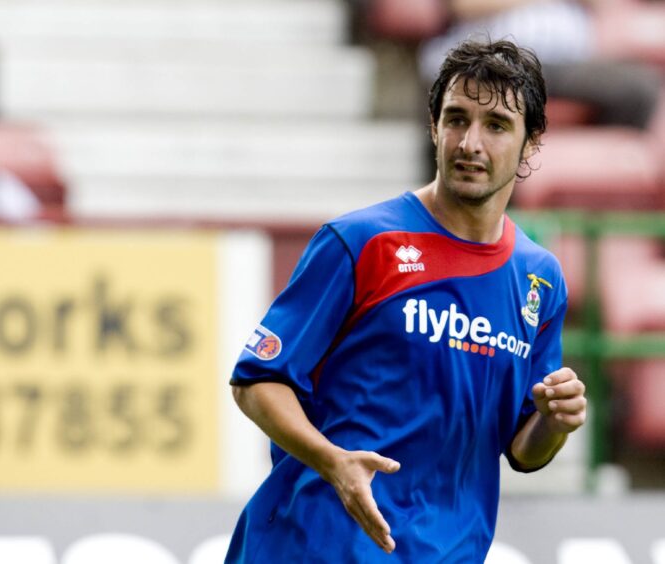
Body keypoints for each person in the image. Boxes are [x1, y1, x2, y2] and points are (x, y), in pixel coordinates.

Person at [227, 39, 587, 563]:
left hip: (447, 552)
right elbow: (257, 381)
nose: (470, 143)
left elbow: (521, 449)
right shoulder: (362, 242)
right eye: (456, 118)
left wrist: (555, 421)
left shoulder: (540, 279)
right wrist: (332, 461)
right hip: (317, 543)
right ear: (434, 126)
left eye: (496, 125)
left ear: (532, 144)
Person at [419, 0, 662, 130]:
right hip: (500, 55)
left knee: (639, 86)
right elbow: (464, 5)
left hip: (572, 60)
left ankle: (601, 195)